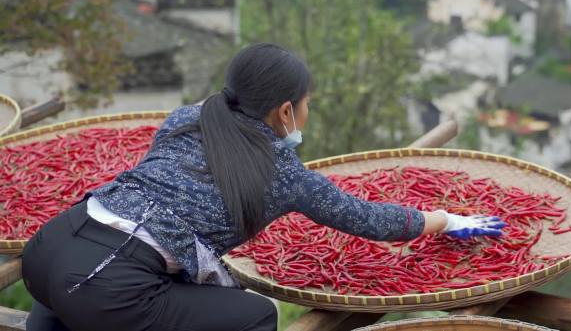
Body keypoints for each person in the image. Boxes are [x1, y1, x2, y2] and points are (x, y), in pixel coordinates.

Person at [21, 43, 505, 331]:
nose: (308, 112)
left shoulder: (186, 119)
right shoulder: (282, 173)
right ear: (285, 112)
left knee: (72, 301)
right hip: (107, 284)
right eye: (307, 103)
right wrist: (441, 220)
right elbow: (368, 219)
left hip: (49, 251)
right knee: (255, 316)